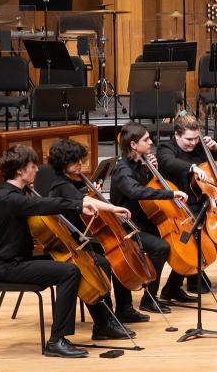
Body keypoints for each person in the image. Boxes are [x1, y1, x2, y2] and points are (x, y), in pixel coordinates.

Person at [0, 145, 129, 357]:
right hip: (9, 266)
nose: (37, 170)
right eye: (33, 166)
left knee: (97, 261)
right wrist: (77, 205)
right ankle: (56, 340)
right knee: (69, 271)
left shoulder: (16, 192)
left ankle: (103, 324)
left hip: (22, 258)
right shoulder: (7, 198)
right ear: (20, 171)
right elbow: (46, 204)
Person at [47, 139, 146, 335]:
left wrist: (89, 192)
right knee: (102, 263)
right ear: (62, 164)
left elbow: (80, 197)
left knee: (114, 255)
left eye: (79, 161)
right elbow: (81, 201)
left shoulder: (69, 183)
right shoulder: (60, 184)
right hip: (69, 244)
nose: (79, 166)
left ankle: (120, 311)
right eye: (74, 162)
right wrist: (112, 207)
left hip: (79, 240)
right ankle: (104, 323)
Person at [157, 112, 217, 294]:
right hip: (185, 203)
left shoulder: (201, 147)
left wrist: (216, 150)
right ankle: (194, 278)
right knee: (196, 227)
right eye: (188, 139)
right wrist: (191, 168)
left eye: (196, 138)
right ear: (177, 135)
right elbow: (169, 163)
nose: (193, 143)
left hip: (210, 199)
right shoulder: (165, 149)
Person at [110, 122, 188, 314]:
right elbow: (136, 192)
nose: (151, 142)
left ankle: (172, 288)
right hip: (128, 227)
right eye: (146, 139)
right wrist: (171, 194)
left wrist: (152, 171)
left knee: (185, 236)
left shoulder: (140, 163)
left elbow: (148, 187)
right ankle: (149, 299)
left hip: (144, 222)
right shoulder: (122, 169)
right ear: (133, 145)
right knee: (161, 247)